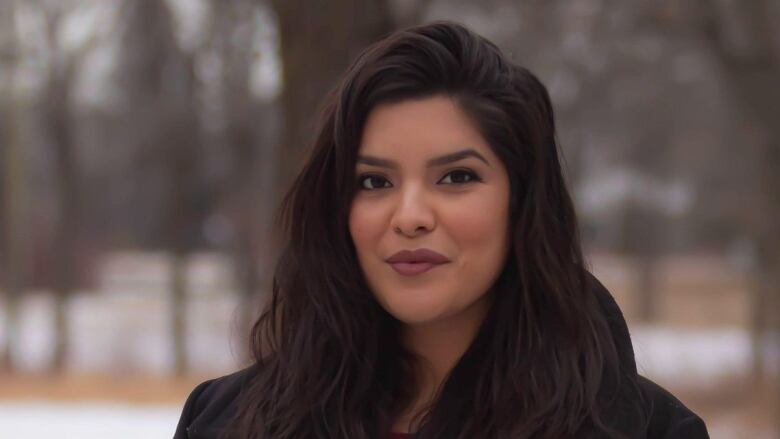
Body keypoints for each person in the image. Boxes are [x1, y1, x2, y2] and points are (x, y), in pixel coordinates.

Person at [174, 21, 709, 439]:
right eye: (375, 181)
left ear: (521, 202)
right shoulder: (226, 422)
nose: (409, 216)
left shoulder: (649, 431)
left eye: (457, 177)